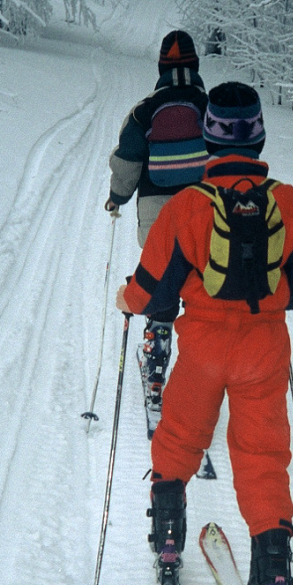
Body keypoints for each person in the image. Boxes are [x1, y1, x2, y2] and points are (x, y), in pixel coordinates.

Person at [115, 81, 293, 585]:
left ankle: (166, 539)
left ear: (209, 137)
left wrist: (125, 296)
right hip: (264, 350)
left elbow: (152, 293)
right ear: (258, 137)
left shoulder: (187, 207)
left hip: (204, 350)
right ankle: (273, 568)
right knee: (261, 457)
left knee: (180, 438)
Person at [105, 30, 208, 417]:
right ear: (195, 65)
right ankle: (200, 373)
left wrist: (117, 197)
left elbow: (128, 161)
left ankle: (155, 365)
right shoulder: (209, 105)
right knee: (199, 287)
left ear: (161, 66)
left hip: (157, 214)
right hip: (204, 213)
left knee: (162, 284)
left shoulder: (145, 110)